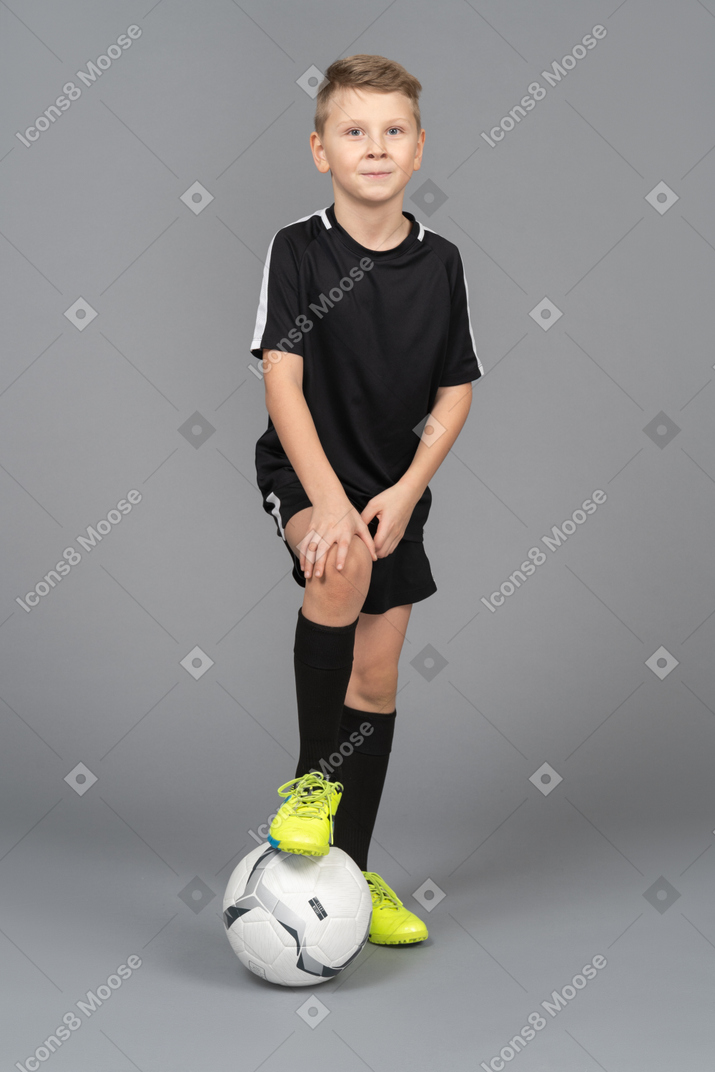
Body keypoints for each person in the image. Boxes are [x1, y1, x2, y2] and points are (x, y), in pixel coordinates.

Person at [250, 53, 483, 946]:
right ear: (321, 150)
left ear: (417, 149)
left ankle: (348, 871)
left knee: (376, 677)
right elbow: (281, 383)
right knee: (337, 561)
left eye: (392, 132)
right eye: (354, 131)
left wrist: (403, 490)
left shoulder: (443, 263)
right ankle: (310, 784)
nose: (374, 146)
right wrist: (329, 502)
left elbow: (456, 390)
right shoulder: (297, 250)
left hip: (396, 485)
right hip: (308, 471)